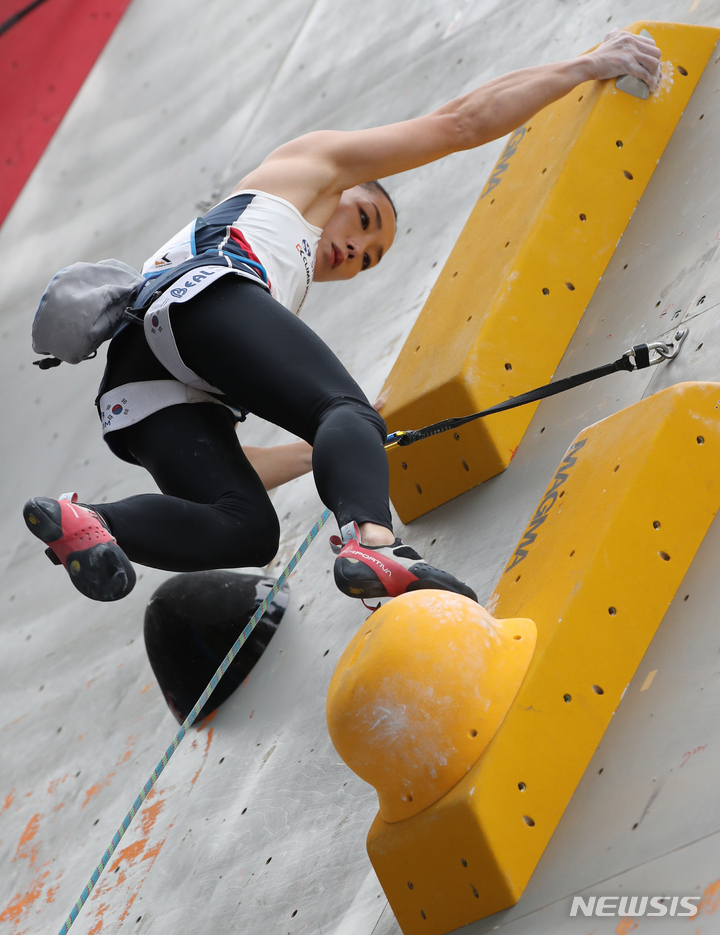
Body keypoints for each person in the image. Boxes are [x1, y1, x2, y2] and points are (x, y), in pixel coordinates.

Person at [23, 29, 661, 603]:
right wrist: (586, 66)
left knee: (244, 527)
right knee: (348, 410)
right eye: (363, 219)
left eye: (369, 259)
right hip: (195, 304)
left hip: (139, 369)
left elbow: (237, 457)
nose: (356, 248)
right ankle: (374, 545)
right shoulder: (308, 171)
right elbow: (460, 122)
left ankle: (94, 524)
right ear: (344, 188)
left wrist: (320, 455)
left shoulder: (262, 283)